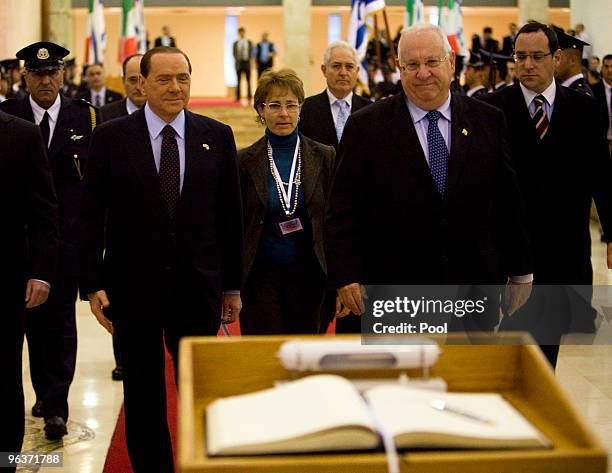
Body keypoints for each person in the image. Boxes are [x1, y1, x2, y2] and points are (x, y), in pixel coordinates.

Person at [79, 46, 243, 473]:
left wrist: (232, 285)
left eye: (183, 78)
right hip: (132, 287)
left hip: (198, 286)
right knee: (142, 391)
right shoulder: (112, 137)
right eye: (165, 79)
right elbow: (91, 215)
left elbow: (230, 217)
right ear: (143, 83)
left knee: (199, 388)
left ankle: (198, 462)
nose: (176, 87)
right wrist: (92, 283)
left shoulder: (217, 135)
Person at [325, 24, 532, 332]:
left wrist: (520, 272)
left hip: (472, 289)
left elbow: (506, 202)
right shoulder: (366, 126)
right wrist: (345, 275)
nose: (423, 73)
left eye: (432, 62)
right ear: (399, 68)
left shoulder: (488, 120)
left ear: (450, 62)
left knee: (466, 378)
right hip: (393, 291)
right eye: (412, 65)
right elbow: (342, 208)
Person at [481, 22, 612, 368]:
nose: (527, 64)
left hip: (562, 252)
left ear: (556, 58)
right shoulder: (492, 110)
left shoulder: (585, 110)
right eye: (520, 56)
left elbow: (603, 175)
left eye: (536, 56)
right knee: (503, 351)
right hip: (508, 254)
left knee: (544, 354)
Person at [0, 41, 98, 440]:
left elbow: (92, 186)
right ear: (24, 76)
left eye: (52, 72)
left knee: (56, 329)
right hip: (15, 245)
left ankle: (55, 404)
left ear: (62, 75)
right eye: (37, 73)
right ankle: (32, 399)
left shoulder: (85, 117)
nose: (45, 79)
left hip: (64, 244)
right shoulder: (9, 117)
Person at [238, 69, 335, 334]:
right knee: (266, 358)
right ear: (260, 110)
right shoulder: (244, 161)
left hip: (310, 277)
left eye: (291, 105)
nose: (283, 113)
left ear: (300, 109)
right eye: (274, 105)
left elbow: (334, 219)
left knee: (303, 357)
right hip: (261, 279)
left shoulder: (324, 156)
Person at [0, 110, 58, 473]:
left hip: (7, 277)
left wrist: (41, 272)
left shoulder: (21, 134)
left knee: (4, 374)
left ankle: (6, 459)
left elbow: (43, 210)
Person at [299, 41, 371, 151]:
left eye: (349, 67)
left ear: (357, 71)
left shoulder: (370, 110)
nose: (343, 72)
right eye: (336, 66)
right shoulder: (305, 109)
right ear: (324, 70)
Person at [100, 54, 146, 123]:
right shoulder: (104, 114)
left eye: (143, 81)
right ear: (124, 81)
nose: (138, 87)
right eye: (132, 80)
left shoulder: (164, 113)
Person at [553, 26, 594, 97]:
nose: (554, 62)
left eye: (558, 58)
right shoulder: (564, 88)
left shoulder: (580, 94)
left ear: (572, 60)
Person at [592, 54, 612, 149]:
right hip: (601, 141)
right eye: (606, 66)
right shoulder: (593, 90)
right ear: (602, 68)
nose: (610, 70)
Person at [233, 27, 253, 101]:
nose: (242, 33)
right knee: (238, 81)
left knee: (248, 80)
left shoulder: (249, 42)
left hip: (247, 62)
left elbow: (251, 53)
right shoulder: (235, 43)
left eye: (243, 32)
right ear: (239, 33)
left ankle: (249, 96)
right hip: (239, 63)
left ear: (244, 32)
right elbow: (234, 53)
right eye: (240, 32)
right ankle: (238, 96)